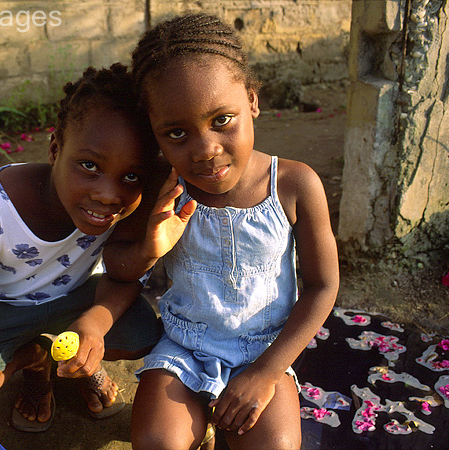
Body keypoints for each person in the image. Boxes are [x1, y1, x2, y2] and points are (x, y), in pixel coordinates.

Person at [102, 13, 340, 450]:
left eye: (222, 120)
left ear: (252, 99)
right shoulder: (163, 190)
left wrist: (266, 373)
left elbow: (323, 287)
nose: (206, 150)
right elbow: (115, 263)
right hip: (183, 348)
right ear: (155, 135)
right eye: (177, 133)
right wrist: (150, 248)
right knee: (157, 443)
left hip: (265, 349)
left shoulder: (294, 185)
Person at [0, 63, 163, 450]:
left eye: (131, 176)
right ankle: (36, 362)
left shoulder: (131, 203)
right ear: (55, 148)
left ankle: (77, 358)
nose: (107, 193)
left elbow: (121, 275)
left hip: (77, 296)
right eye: (89, 166)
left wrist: (94, 327)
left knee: (142, 336)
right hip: (2, 306)